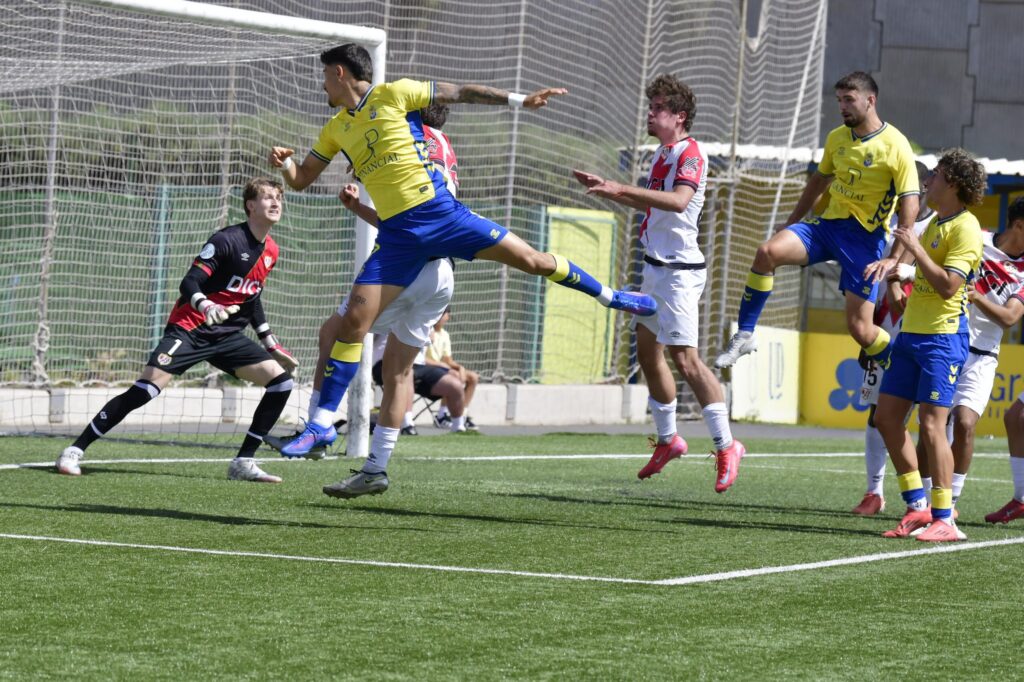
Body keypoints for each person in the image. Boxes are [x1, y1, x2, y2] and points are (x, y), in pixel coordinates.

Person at [268, 43, 656, 456]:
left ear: (340, 73)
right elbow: (302, 178)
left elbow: (461, 92)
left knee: (533, 261)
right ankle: (321, 425)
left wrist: (520, 100)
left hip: (442, 216)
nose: (321, 83)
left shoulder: (393, 94)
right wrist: (286, 164)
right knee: (350, 326)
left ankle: (613, 297)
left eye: (325, 73)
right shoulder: (335, 129)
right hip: (399, 236)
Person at [55, 178, 298, 483]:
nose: (276, 203)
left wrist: (270, 342)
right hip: (190, 328)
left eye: (279, 198)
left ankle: (243, 461)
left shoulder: (271, 250)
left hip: (226, 337)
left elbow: (252, 298)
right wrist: (206, 306)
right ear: (251, 205)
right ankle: (74, 450)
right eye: (268, 198)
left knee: (281, 383)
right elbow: (190, 282)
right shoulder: (226, 240)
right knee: (146, 389)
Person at [572, 74, 744, 492]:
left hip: (680, 275)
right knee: (649, 352)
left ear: (679, 116)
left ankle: (727, 445)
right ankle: (669, 440)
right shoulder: (661, 153)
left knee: (687, 361)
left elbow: (680, 201)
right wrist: (609, 190)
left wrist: (621, 187)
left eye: (658, 108)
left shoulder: (691, 154)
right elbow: (649, 199)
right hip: (655, 268)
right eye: (650, 107)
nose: (649, 114)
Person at [714, 72, 920, 376]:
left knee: (861, 329)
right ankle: (744, 335)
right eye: (839, 101)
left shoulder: (896, 145)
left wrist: (893, 256)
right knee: (766, 252)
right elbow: (819, 181)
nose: (842, 107)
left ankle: (901, 368)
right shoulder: (837, 137)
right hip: (825, 228)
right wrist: (791, 223)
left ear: (870, 100)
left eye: (848, 100)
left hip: (865, 240)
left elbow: (910, 204)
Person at [873, 149, 985, 542]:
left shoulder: (966, 228)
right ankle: (918, 506)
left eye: (935, 174)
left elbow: (950, 286)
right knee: (886, 418)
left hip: (941, 339)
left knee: (933, 426)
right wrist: (896, 269)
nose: (928, 180)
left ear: (952, 183)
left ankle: (946, 518)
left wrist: (915, 251)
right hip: (910, 335)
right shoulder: (938, 221)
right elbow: (923, 273)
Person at [320, 183, 456, 498]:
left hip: (407, 264)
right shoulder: (441, 164)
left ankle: (319, 423)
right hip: (443, 274)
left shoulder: (415, 154)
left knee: (333, 330)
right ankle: (375, 468)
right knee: (398, 373)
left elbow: (403, 225)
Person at [852, 161, 934, 516]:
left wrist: (900, 282)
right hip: (882, 332)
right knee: (877, 413)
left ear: (926, 187)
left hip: (925, 330)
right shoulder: (879, 222)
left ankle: (930, 498)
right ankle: (874, 492)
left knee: (931, 417)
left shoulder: (934, 226)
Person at [426, 307, 479, 430]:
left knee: (472, 377)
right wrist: (444, 366)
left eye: (443, 314)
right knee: (452, 377)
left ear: (447, 317)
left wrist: (460, 367)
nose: (441, 317)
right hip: (428, 369)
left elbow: (447, 360)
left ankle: (462, 415)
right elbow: (422, 359)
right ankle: (442, 415)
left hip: (441, 368)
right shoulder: (428, 331)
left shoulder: (445, 335)